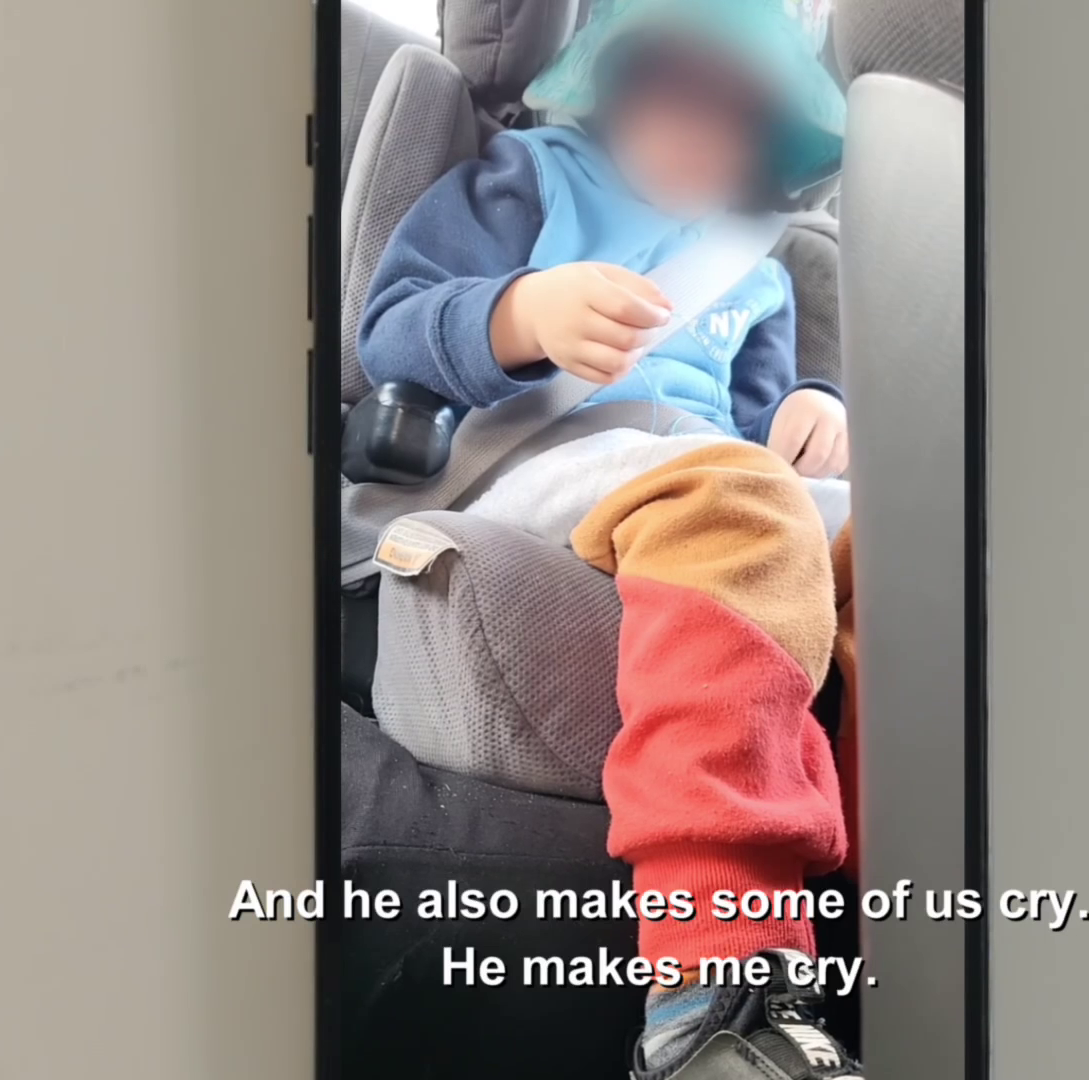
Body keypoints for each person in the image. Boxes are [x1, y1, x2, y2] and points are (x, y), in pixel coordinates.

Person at [358, 1, 865, 1075]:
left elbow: (752, 436)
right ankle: (714, 972)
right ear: (609, 88)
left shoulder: (761, 269)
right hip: (536, 461)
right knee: (735, 496)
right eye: (674, 92)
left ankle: (906, 905)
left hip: (703, 479)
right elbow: (392, 325)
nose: (700, 128)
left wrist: (813, 407)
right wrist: (524, 316)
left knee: (891, 549)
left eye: (736, 113)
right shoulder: (529, 177)